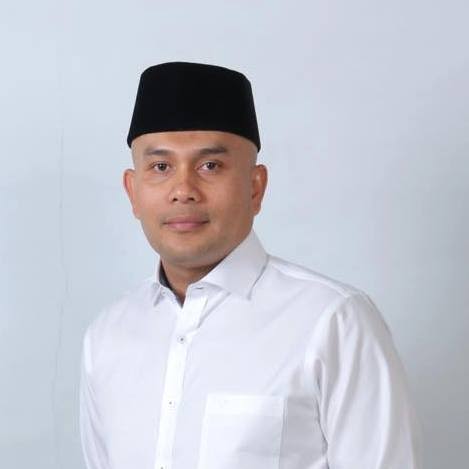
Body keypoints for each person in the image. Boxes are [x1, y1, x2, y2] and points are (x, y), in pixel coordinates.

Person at [79, 61, 423, 469]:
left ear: (256, 187)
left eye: (210, 166)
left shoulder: (333, 322)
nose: (183, 190)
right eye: (160, 167)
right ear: (133, 191)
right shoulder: (108, 337)